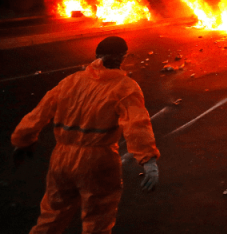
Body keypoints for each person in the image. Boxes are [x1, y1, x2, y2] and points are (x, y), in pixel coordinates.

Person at [11, 36, 160, 234]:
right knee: (98, 219)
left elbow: (39, 113)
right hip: (98, 162)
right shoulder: (125, 88)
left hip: (61, 160)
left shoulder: (70, 81)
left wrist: (22, 140)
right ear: (122, 57)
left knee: (52, 216)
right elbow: (136, 125)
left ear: (96, 56)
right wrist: (148, 160)